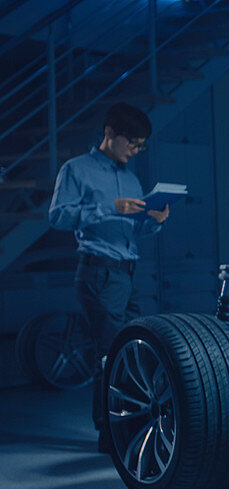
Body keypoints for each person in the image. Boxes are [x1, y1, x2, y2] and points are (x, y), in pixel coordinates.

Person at [48, 102, 169, 442]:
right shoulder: (77, 170)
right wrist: (108, 207)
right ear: (109, 133)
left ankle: (125, 421)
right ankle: (110, 431)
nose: (136, 150)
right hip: (98, 272)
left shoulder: (130, 178)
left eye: (141, 145)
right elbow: (57, 217)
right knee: (112, 351)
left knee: (133, 348)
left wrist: (154, 223)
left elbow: (131, 229)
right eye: (132, 142)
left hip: (127, 272)